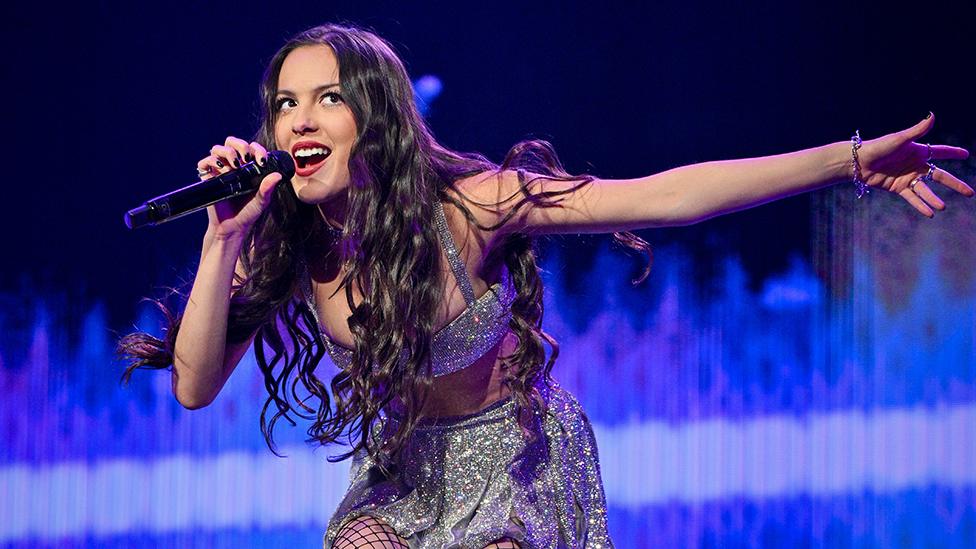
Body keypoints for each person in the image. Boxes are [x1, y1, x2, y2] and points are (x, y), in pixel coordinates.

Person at [119, 23, 973, 549]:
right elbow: (193, 386)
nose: (297, 119)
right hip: (407, 474)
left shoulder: (469, 206)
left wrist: (851, 160)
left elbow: (664, 197)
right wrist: (222, 240)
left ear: (372, 115)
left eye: (326, 98)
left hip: (517, 463)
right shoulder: (293, 240)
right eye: (283, 103)